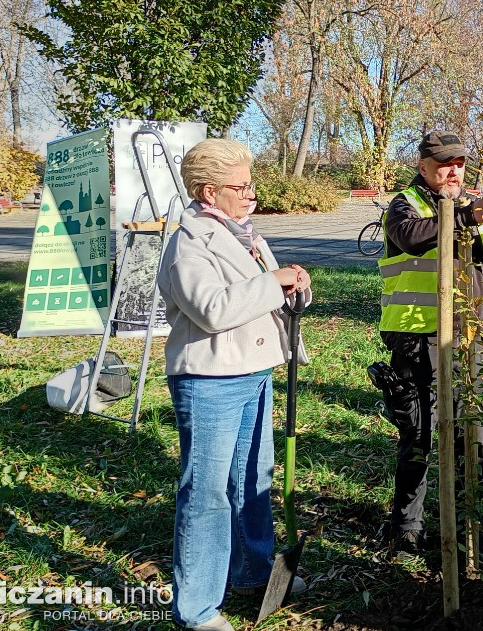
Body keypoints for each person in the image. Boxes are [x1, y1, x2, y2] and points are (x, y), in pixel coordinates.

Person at [157, 139, 311, 631]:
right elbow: (213, 309)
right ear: (208, 192)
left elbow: (260, 293)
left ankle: (253, 570)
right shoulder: (189, 243)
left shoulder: (244, 233)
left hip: (253, 370)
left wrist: (292, 284)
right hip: (209, 380)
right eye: (239, 187)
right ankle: (197, 607)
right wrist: (272, 282)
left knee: (252, 478)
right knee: (207, 493)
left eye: (250, 184)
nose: (252, 195)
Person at [376, 130, 483, 554]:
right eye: (444, 164)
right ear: (422, 167)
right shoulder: (403, 205)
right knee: (420, 434)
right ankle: (407, 526)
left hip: (470, 338)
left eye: (459, 164)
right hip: (417, 338)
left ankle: (472, 524)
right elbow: (410, 236)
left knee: (476, 431)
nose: (453, 171)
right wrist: (464, 218)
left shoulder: (473, 205)